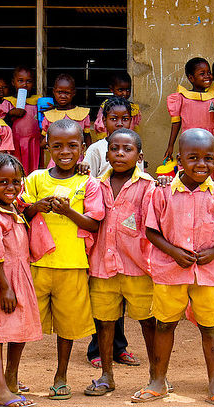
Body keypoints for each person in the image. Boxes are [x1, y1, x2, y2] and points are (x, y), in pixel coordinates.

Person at [132, 128, 214, 406]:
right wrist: (175, 253)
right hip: (170, 271)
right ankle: (158, 381)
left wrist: (213, 253)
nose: (201, 165)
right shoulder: (162, 192)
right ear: (179, 157)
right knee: (165, 326)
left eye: (208, 158)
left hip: (208, 274)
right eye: (193, 158)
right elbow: (151, 230)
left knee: (210, 328)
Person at [20, 119, 105, 400]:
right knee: (21, 322)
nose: (64, 151)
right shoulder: (35, 178)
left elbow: (94, 224)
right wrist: (36, 207)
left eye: (72, 145)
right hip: (37, 263)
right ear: (48, 146)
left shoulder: (88, 182)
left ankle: (61, 376)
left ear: (82, 148)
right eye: (57, 146)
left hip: (73, 264)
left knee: (67, 326)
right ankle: (8, 376)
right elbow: (20, 213)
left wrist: (68, 212)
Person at [83, 128, 156, 396]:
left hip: (138, 266)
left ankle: (156, 375)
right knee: (104, 321)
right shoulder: (94, 184)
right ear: (106, 152)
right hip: (102, 265)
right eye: (114, 149)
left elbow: (153, 225)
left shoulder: (148, 186)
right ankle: (106, 375)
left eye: (128, 149)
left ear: (139, 156)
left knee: (148, 320)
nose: (120, 154)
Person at [82, 96, 143, 368]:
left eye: (124, 118)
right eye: (113, 118)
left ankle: (120, 347)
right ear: (102, 121)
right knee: (103, 299)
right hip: (102, 225)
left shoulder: (133, 145)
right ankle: (97, 349)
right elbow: (87, 179)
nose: (119, 123)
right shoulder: (96, 150)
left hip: (126, 233)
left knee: (121, 297)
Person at [0, 153, 41, 407]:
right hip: (3, 281)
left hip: (20, 277)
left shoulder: (14, 207)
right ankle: (1, 389)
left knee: (20, 330)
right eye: (3, 182)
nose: (11, 187)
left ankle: (10, 379)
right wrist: (5, 288)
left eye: (16, 181)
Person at [164, 58, 214, 184]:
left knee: (212, 177)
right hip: (190, 143)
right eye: (202, 73)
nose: (208, 76)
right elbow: (176, 123)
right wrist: (170, 145)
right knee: (190, 174)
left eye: (209, 73)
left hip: (211, 144)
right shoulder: (181, 98)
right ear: (191, 78)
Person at [0, 66, 43, 174]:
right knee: (15, 169)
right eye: (20, 81)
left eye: (29, 81)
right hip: (15, 142)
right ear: (13, 82)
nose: (24, 84)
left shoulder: (37, 101)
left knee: (34, 170)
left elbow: (44, 120)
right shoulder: (8, 102)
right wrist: (10, 114)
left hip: (34, 143)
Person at [41, 73, 92, 149]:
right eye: (59, 92)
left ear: (73, 93)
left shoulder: (82, 114)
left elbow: (87, 137)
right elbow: (43, 144)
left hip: (77, 158)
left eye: (67, 93)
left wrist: (89, 155)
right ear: (54, 92)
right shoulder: (49, 116)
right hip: (57, 158)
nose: (63, 96)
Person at [93, 72, 142, 140]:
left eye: (128, 90)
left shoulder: (134, 109)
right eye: (120, 90)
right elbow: (101, 126)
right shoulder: (106, 106)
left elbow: (135, 127)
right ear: (112, 89)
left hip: (128, 140)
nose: (124, 93)